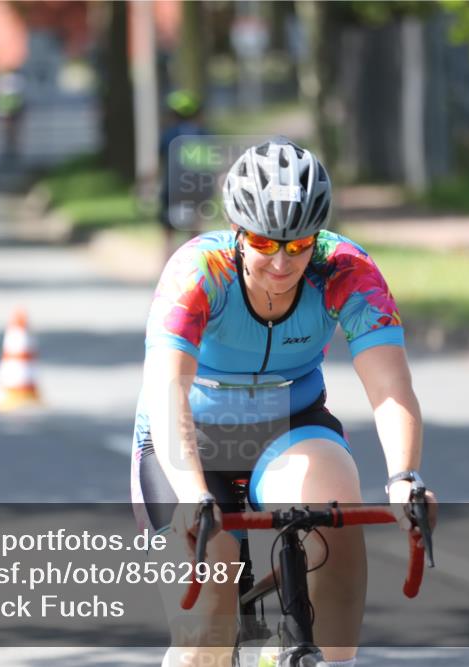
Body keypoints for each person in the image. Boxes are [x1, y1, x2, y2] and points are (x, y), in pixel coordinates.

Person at [130, 138, 438, 666]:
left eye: (298, 246)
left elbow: (390, 386)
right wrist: (192, 495)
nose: (280, 261)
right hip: (188, 438)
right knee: (210, 611)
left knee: (336, 519)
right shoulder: (196, 273)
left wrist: (405, 478)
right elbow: (168, 391)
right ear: (236, 231)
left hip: (290, 429)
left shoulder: (345, 269)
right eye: (264, 242)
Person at [157, 90, 208, 264]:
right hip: (196, 189)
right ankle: (196, 267)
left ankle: (166, 269)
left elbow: (161, 162)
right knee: (195, 233)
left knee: (168, 234)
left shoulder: (168, 135)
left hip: (172, 189)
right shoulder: (204, 135)